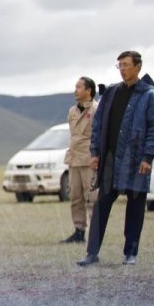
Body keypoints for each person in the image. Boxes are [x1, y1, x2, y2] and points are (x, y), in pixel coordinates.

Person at [78, 51, 154, 267]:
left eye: (126, 64)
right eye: (120, 65)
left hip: (136, 161)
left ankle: (130, 254)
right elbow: (97, 125)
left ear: (138, 66)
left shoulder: (149, 95)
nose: (123, 69)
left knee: (135, 207)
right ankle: (91, 253)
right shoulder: (111, 93)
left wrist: (147, 157)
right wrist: (95, 153)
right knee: (101, 206)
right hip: (109, 160)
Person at [62, 77, 97, 244]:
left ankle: (95, 232)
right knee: (75, 196)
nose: (75, 90)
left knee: (91, 197)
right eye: (75, 87)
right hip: (74, 157)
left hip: (89, 157)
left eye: (79, 87)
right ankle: (79, 230)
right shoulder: (72, 111)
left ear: (89, 90)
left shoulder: (97, 110)